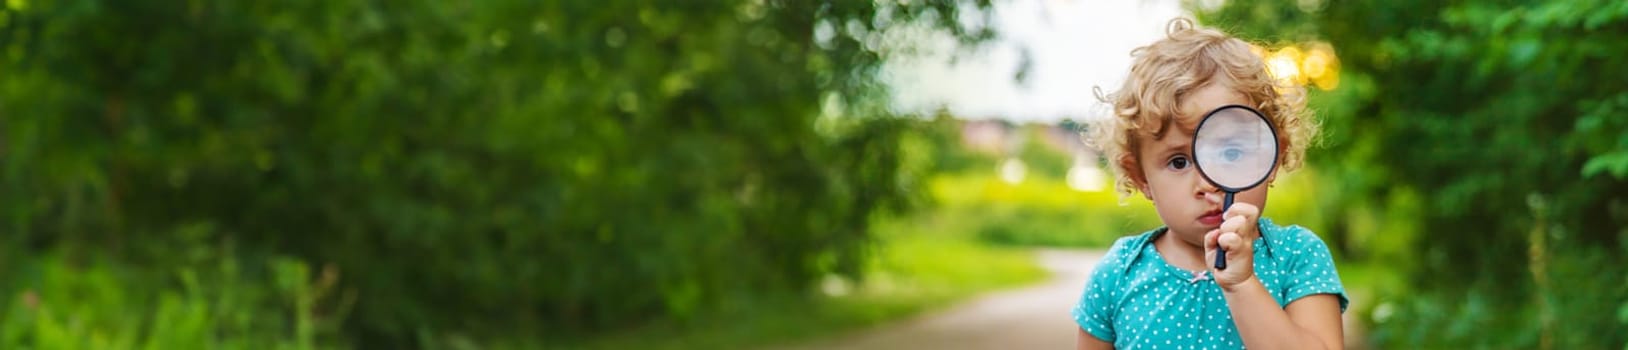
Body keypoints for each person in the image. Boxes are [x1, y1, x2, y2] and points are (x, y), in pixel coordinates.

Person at [1073, 18, 1347, 350]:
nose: (1207, 183)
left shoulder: (1296, 257)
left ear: (1273, 157)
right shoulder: (1118, 274)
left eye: (1231, 152)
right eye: (1178, 161)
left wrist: (1242, 285)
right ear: (1140, 177)